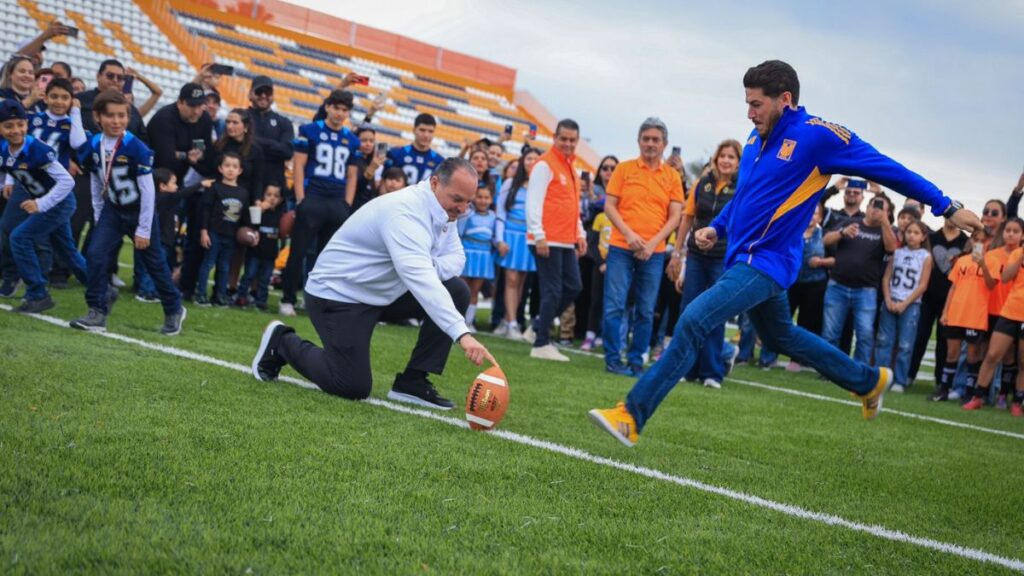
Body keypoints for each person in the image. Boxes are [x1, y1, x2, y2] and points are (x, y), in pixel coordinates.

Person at [588, 60, 982, 447]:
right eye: (746, 103)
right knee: (781, 335)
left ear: (785, 99)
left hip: (768, 263)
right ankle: (866, 381)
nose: (749, 113)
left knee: (693, 320)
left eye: (756, 104)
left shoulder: (817, 136)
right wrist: (716, 227)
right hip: (743, 257)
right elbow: (746, 196)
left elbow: (886, 168)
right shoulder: (755, 139)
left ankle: (632, 415)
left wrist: (946, 205)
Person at [251, 158, 496, 410]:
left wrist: (426, 265)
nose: (464, 208)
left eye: (468, 201)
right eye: (458, 199)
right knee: (351, 385)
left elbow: (456, 259)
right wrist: (462, 334)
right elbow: (422, 280)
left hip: (379, 292)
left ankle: (413, 381)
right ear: (434, 183)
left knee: (456, 289)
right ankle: (282, 342)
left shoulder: (443, 209)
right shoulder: (405, 211)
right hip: (338, 295)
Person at [69, 90, 186, 335]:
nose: (116, 121)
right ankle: (96, 310)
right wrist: (99, 213)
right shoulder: (95, 144)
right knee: (95, 255)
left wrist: (144, 227)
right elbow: (97, 180)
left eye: (121, 115)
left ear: (128, 116)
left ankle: (174, 308)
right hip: (112, 209)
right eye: (110, 115)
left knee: (154, 264)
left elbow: (148, 191)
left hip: (138, 211)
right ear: (98, 117)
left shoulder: (136, 147)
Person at [601, 118, 684, 376]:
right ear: (639, 141)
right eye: (646, 138)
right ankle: (613, 360)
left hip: (655, 252)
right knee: (614, 305)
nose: (650, 143)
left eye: (655, 140)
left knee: (646, 310)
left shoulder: (672, 177)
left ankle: (636, 361)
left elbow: (675, 216)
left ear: (664, 144)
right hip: (620, 247)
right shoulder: (624, 169)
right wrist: (629, 235)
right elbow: (609, 206)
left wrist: (652, 243)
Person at [279, 90, 359, 317]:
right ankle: (287, 299)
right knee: (298, 252)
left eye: (344, 110)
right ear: (328, 107)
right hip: (313, 198)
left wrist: (347, 204)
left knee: (326, 257)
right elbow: (299, 166)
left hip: (336, 202)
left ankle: (312, 299)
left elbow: (352, 175)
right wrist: (301, 198)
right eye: (337, 108)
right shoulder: (309, 131)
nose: (340, 113)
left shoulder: (351, 139)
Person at [666, 139, 740, 387]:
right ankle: (686, 369)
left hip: (723, 259)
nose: (726, 160)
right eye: (723, 156)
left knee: (716, 313)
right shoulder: (701, 183)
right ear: (716, 158)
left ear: (738, 162)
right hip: (696, 257)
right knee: (688, 312)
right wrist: (678, 253)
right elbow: (687, 219)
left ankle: (711, 372)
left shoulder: (742, 188)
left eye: (731, 157)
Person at [0, 98, 85, 312]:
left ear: (27, 124)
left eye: (20, 124)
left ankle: (38, 294)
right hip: (48, 202)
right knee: (68, 251)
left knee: (20, 238)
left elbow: (67, 181)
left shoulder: (37, 149)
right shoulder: (5, 148)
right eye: (8, 126)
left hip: (58, 201)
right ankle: (100, 288)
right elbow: (12, 166)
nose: (15, 130)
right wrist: (10, 182)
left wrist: (41, 203)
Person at [524, 119, 587, 361]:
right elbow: (534, 201)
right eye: (564, 139)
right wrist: (538, 235)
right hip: (547, 238)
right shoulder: (544, 165)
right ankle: (541, 344)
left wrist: (579, 233)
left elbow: (572, 206)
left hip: (565, 239)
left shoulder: (571, 167)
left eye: (572, 140)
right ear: (555, 138)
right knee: (552, 290)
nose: (568, 144)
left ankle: (538, 326)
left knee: (573, 286)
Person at [147, 82, 214, 299]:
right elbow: (166, 157)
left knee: (173, 236)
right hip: (158, 183)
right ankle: (147, 285)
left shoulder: (204, 118)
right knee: (156, 234)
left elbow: (203, 150)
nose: (197, 110)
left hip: (182, 181)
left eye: (200, 105)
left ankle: (166, 282)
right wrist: (187, 156)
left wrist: (184, 155)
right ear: (180, 103)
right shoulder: (163, 119)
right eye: (192, 106)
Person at [821, 193, 897, 364]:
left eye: (881, 208)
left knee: (864, 335)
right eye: (873, 205)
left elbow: (892, 248)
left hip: (865, 290)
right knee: (830, 333)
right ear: (867, 207)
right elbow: (825, 240)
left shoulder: (886, 231)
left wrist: (885, 221)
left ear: (888, 213)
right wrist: (842, 232)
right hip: (837, 285)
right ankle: (827, 368)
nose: (875, 210)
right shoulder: (850, 223)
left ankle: (859, 372)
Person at [962, 218, 1024, 412]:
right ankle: (978, 396)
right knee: (992, 354)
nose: (1011, 234)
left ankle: (1016, 401)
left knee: (1022, 361)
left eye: (1016, 231)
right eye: (1009, 230)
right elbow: (1005, 278)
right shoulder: (1016, 253)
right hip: (1010, 310)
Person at [909, 217, 967, 392]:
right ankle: (910, 374)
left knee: (944, 341)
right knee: (920, 336)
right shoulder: (932, 238)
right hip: (927, 296)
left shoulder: (965, 241)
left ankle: (940, 380)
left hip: (950, 298)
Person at [937, 229, 995, 402]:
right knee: (951, 353)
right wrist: (945, 311)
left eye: (983, 241)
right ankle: (944, 390)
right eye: (976, 239)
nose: (979, 243)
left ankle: (969, 392)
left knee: (972, 355)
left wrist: (983, 265)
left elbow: (992, 285)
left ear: (989, 242)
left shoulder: (992, 260)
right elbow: (953, 287)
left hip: (975, 315)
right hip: (956, 312)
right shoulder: (961, 260)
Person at [875, 220, 932, 392]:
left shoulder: (925, 256)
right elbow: (886, 278)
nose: (911, 235)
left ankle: (899, 380)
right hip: (891, 300)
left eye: (916, 233)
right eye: (909, 232)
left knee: (905, 344)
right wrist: (888, 299)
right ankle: (880, 377)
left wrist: (905, 303)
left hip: (910, 305)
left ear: (923, 237)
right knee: (884, 341)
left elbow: (923, 285)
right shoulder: (897, 253)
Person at [494, 149, 540, 340]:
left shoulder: (540, 187)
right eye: (529, 158)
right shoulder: (509, 183)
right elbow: (500, 213)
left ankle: (507, 321)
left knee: (521, 282)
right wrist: (500, 239)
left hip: (529, 238)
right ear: (523, 161)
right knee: (511, 280)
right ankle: (513, 323)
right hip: (510, 236)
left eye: (536, 159)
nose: (532, 162)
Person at [196, 153, 250, 306]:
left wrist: (252, 231)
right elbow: (206, 210)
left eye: (234, 166)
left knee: (225, 266)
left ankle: (219, 295)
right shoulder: (215, 188)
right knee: (208, 264)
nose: (230, 169)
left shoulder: (243, 192)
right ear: (220, 168)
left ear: (240, 170)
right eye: (227, 166)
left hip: (231, 234)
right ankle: (201, 294)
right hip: (214, 232)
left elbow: (244, 216)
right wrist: (204, 231)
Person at [785, 202, 833, 372]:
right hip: (791, 282)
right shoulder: (793, 232)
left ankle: (797, 360)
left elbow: (837, 259)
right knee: (782, 318)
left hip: (814, 285)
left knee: (805, 324)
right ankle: (768, 357)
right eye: (810, 212)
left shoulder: (824, 235)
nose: (812, 216)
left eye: (815, 214)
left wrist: (821, 262)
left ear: (820, 217)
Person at [581, 156, 619, 351]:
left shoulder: (621, 214)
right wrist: (600, 261)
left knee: (613, 301)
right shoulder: (594, 199)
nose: (609, 171)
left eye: (613, 168)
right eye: (605, 167)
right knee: (593, 298)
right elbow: (593, 240)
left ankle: (606, 336)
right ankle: (588, 334)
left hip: (617, 261)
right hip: (596, 258)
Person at [237, 184, 284, 310]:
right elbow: (248, 223)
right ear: (262, 196)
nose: (272, 198)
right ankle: (241, 296)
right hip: (255, 252)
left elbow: (283, 232)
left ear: (280, 199)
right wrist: (259, 210)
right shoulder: (258, 212)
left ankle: (261, 301)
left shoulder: (281, 215)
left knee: (265, 279)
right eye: (269, 195)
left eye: (276, 196)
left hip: (270, 254)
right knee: (248, 275)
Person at [458, 186, 497, 331]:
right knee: (462, 289)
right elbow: (459, 233)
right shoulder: (467, 215)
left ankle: (468, 322)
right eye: (480, 197)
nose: (483, 200)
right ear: (474, 198)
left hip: (483, 256)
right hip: (467, 253)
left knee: (475, 291)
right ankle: (457, 320)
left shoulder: (493, 216)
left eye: (486, 198)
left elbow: (493, 236)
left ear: (491, 199)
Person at [77, 60, 147, 140]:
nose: (115, 80)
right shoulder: (80, 100)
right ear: (98, 76)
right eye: (110, 76)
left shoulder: (131, 108)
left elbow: (143, 139)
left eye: (120, 77)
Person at [246, 76, 294, 190]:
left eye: (267, 92)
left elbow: (287, 151)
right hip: (245, 184)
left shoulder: (284, 122)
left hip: (273, 188)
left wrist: (252, 141)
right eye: (259, 91)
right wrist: (274, 144)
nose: (263, 96)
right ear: (250, 94)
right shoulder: (241, 116)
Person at [385, 113, 444, 184]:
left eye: (430, 131)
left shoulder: (440, 162)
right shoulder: (397, 154)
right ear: (414, 130)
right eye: (422, 130)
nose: (426, 135)